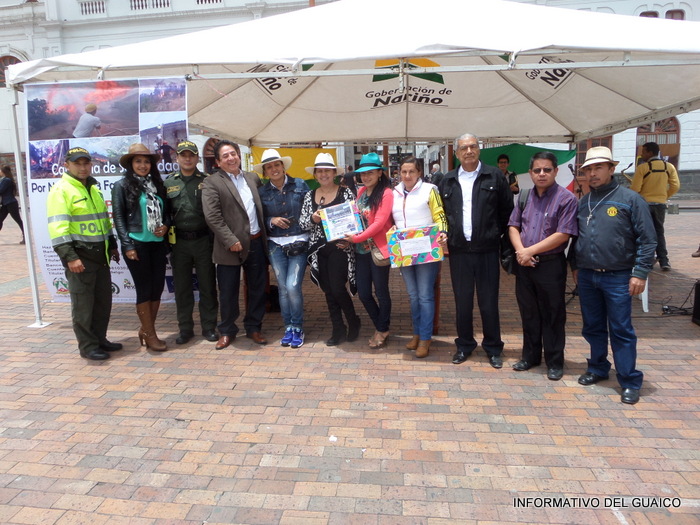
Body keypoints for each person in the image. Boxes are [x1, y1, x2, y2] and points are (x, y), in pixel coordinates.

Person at [571, 146, 656, 404]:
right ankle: (598, 367)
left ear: (611, 168)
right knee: (593, 327)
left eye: (598, 167)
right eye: (588, 169)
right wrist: (575, 267)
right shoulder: (584, 202)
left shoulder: (630, 199)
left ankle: (629, 380)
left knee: (621, 329)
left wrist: (640, 273)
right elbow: (576, 238)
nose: (593, 173)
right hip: (588, 276)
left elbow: (647, 239)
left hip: (618, 277)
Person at [438, 133, 514, 368]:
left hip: (487, 250)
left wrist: (494, 234)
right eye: (464, 148)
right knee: (462, 301)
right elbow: (442, 214)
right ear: (457, 153)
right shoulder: (448, 180)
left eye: (472, 146)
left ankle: (493, 347)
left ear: (479, 149)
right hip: (459, 251)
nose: (468, 151)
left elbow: (507, 211)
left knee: (488, 301)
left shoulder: (494, 176)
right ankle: (464, 345)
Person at [507, 152, 578, 380]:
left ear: (556, 171)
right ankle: (530, 356)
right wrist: (521, 251)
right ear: (530, 173)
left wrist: (530, 251)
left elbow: (563, 234)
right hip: (525, 264)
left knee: (553, 314)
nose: (542, 174)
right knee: (529, 312)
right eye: (537, 170)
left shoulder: (566, 199)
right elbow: (513, 226)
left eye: (547, 169)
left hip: (550, 265)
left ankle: (555, 362)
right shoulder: (524, 197)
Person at [46, 147, 121, 360]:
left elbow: (104, 222)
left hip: (100, 256)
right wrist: (70, 257)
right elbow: (58, 229)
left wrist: (112, 245)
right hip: (80, 257)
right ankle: (88, 347)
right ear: (66, 165)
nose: (82, 167)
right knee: (83, 306)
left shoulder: (94, 189)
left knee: (102, 303)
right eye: (77, 163)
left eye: (86, 163)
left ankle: (100, 339)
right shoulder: (61, 190)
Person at [202, 140, 268, 350]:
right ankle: (227, 330)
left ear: (239, 155)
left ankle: (254, 327)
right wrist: (230, 240)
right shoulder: (212, 182)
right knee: (228, 291)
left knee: (257, 288)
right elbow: (212, 216)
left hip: (256, 242)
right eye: (225, 156)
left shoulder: (252, 178)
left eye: (233, 153)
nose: (231, 158)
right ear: (218, 162)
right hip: (229, 246)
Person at [112, 143, 170, 352]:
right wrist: (127, 245)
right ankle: (151, 335)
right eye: (138, 161)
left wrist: (166, 226)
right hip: (136, 245)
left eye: (146, 161)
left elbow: (167, 213)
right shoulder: (121, 186)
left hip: (158, 245)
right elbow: (118, 218)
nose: (143, 165)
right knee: (144, 289)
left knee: (157, 289)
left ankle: (146, 329)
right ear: (131, 164)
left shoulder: (158, 184)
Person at [299, 153, 361, 346]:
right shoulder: (309, 196)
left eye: (327, 170)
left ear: (334, 173)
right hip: (319, 249)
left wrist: (350, 240)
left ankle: (353, 320)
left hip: (340, 247)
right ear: (315, 174)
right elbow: (302, 224)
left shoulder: (346, 193)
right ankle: (338, 328)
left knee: (337, 288)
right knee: (328, 290)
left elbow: (356, 221)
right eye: (320, 171)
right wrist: (313, 219)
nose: (323, 174)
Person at [391, 156, 447, 358]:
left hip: (426, 249)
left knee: (425, 295)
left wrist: (443, 231)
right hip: (404, 250)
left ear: (419, 173)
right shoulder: (394, 192)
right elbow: (390, 218)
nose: (407, 176)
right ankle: (416, 333)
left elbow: (439, 214)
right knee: (413, 295)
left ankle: (425, 338)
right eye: (404, 172)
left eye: (411, 172)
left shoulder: (430, 190)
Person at [164, 140, 218, 345]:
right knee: (182, 288)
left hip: (203, 240)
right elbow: (164, 213)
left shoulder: (207, 181)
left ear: (197, 158)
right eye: (183, 155)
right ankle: (185, 328)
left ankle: (209, 326)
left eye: (191, 155)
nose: (187, 159)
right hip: (179, 243)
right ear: (177, 158)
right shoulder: (168, 183)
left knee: (207, 286)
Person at [256, 149, 310, 348]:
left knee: (293, 286)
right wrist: (271, 220)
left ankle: (298, 326)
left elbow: (309, 210)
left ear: (283, 166)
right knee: (283, 288)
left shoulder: (300, 185)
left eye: (276, 165)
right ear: (265, 172)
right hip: (275, 244)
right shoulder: (262, 192)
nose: (274, 169)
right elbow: (258, 218)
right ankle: (289, 327)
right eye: (269, 167)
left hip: (299, 242)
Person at [347, 152, 394, 349]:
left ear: (379, 173)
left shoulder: (386, 193)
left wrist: (356, 238)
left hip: (378, 250)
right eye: (363, 173)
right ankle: (381, 326)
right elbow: (355, 219)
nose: (366, 177)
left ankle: (382, 329)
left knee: (381, 292)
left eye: (370, 173)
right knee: (364, 293)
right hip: (361, 251)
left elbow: (379, 223)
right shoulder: (360, 192)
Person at [630, 141, 680, 271]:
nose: (642, 155)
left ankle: (647, 259)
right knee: (659, 232)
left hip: (644, 205)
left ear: (650, 153)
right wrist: (664, 196)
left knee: (644, 232)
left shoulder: (642, 168)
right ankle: (664, 260)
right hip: (660, 205)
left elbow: (635, 189)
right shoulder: (669, 167)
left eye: (644, 152)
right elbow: (675, 186)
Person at [0, 166, 25, 244]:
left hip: (11, 203)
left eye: (0, 171)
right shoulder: (4, 180)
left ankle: (25, 236)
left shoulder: (6, 180)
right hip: (5, 203)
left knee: (18, 220)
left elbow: (0, 190)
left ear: (3, 172)